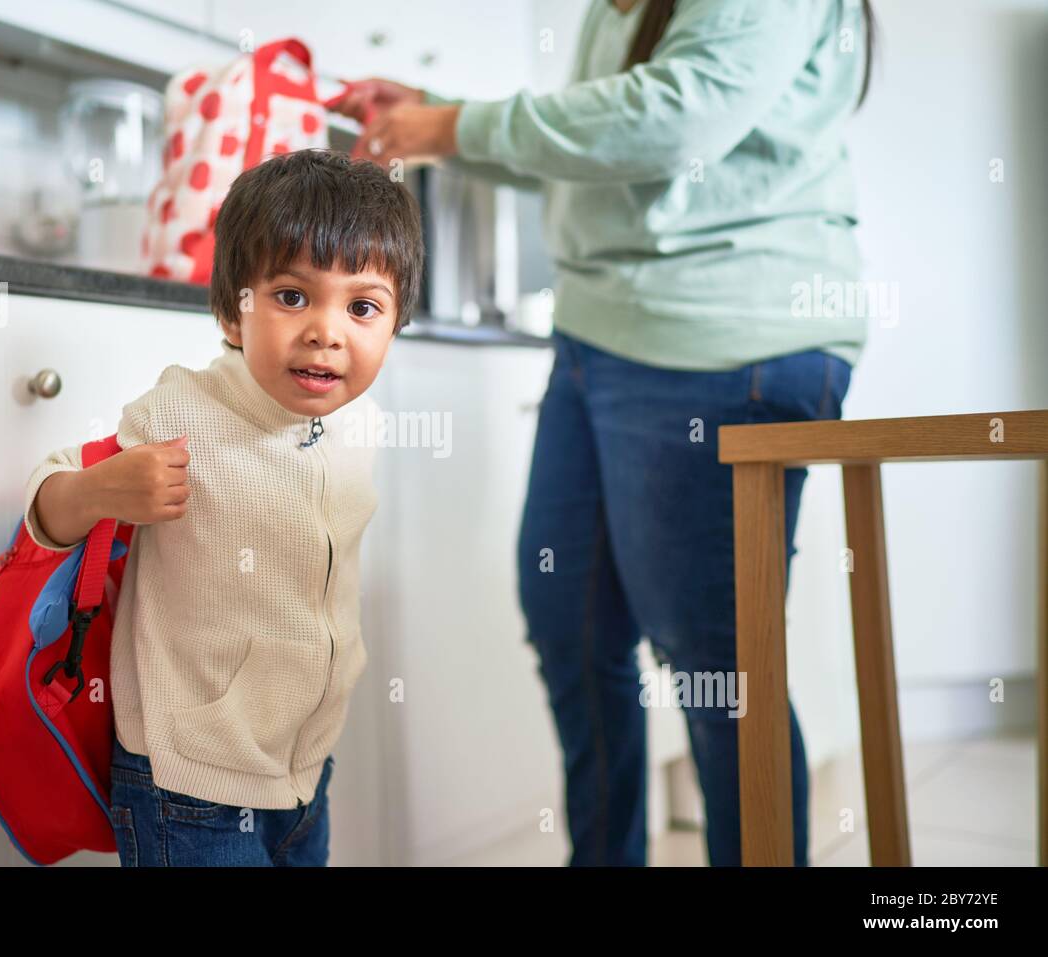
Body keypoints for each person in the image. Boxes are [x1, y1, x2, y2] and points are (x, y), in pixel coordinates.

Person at [328, 0, 876, 865]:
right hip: (599, 336)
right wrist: (436, 120)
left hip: (722, 338)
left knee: (715, 665)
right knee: (568, 620)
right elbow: (601, 143)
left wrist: (458, 124)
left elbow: (675, 115)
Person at [22, 149, 423, 866]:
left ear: (394, 324)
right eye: (292, 296)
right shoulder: (184, 409)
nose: (327, 331)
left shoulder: (361, 421)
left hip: (305, 771)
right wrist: (103, 487)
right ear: (232, 310)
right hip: (190, 785)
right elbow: (48, 499)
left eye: (362, 306)